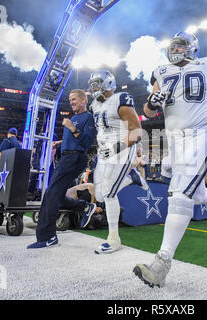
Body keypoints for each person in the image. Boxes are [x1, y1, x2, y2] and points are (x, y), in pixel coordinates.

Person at [133, 32, 207, 287]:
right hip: (176, 141)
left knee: (179, 195)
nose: (176, 50)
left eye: (180, 46)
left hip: (201, 133)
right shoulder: (160, 71)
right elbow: (146, 111)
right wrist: (152, 103)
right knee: (197, 195)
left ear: (191, 48)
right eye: (173, 47)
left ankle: (161, 264)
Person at [27, 89, 96, 249]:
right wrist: (60, 143)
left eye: (74, 99)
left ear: (84, 100)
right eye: (70, 99)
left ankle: (48, 237)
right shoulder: (74, 118)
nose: (71, 102)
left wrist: (71, 128)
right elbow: (73, 138)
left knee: (51, 194)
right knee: (54, 194)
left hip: (75, 158)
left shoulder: (88, 118)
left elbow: (86, 141)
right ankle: (84, 207)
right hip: (66, 157)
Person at [88, 69, 142, 254]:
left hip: (122, 149)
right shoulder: (95, 104)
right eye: (93, 84)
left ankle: (113, 239)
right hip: (105, 151)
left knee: (109, 194)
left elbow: (136, 131)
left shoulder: (121, 98)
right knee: (101, 195)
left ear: (108, 83)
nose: (94, 87)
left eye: (97, 83)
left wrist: (114, 148)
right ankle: (131, 178)